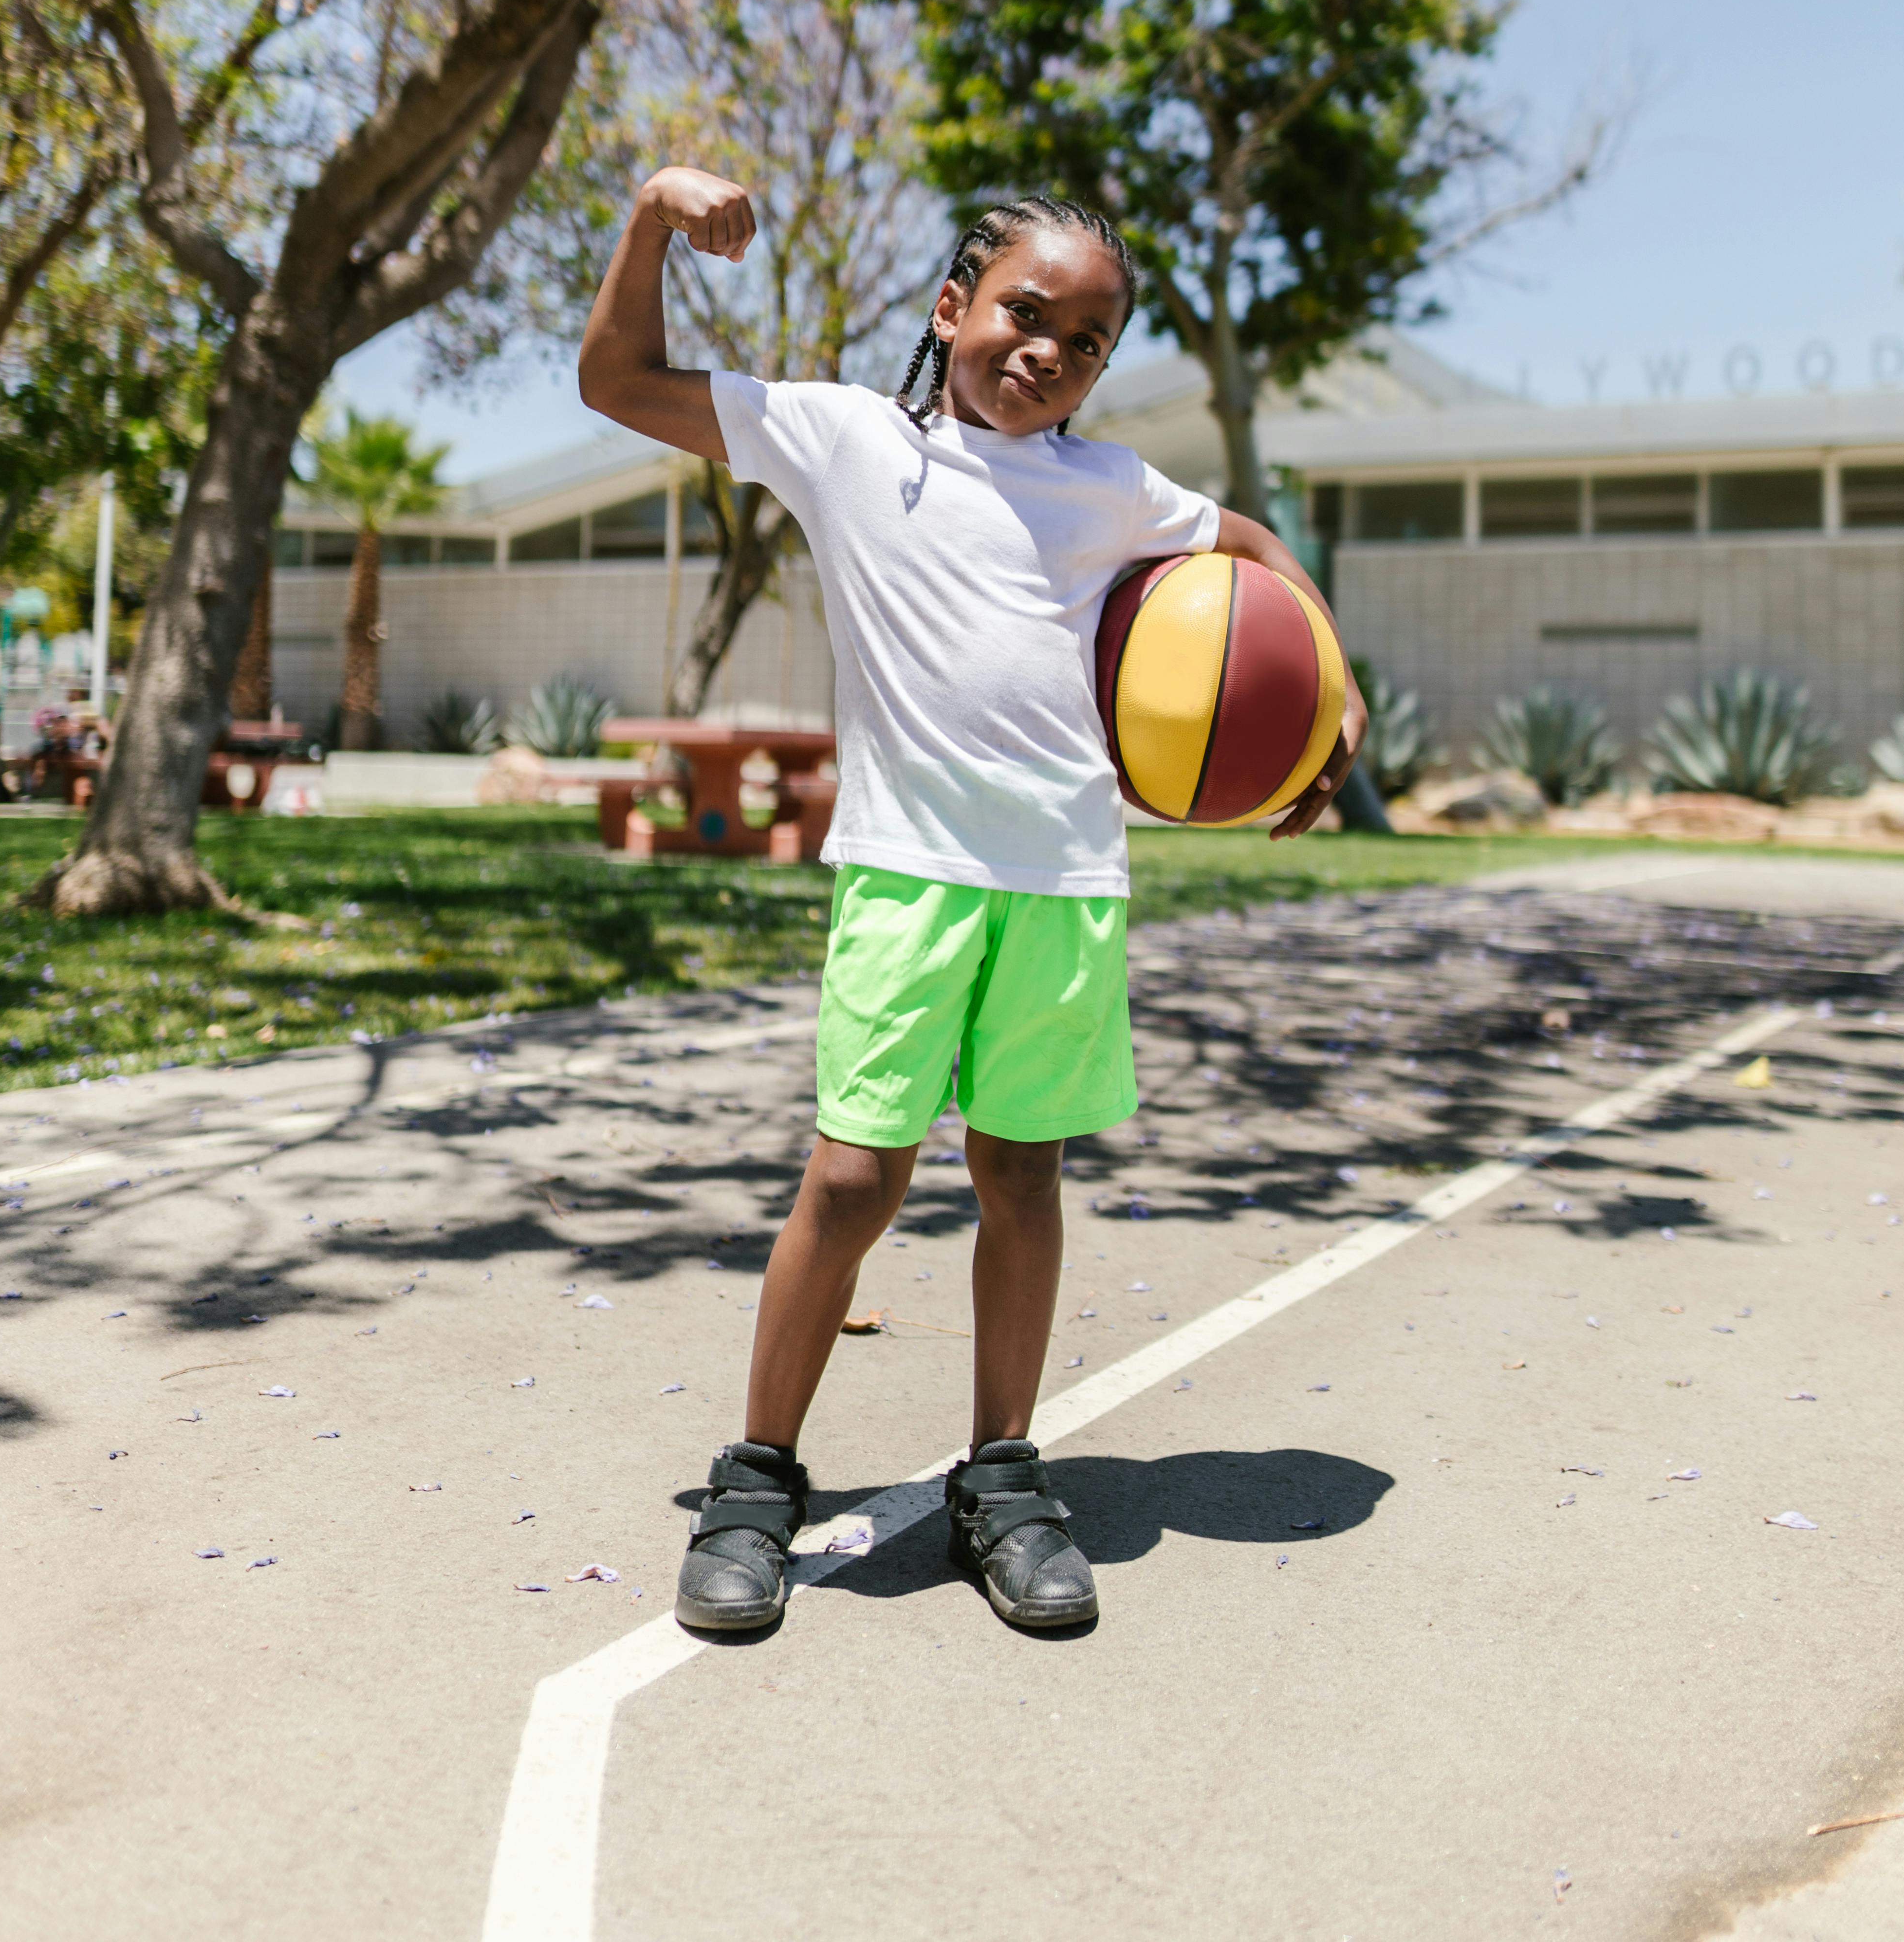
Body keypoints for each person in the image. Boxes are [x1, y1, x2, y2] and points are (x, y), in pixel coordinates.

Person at [577, 165, 1367, 1634]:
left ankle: (1000, 1477)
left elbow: (1251, 551)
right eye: (1023, 312)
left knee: (1021, 1177)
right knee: (852, 1179)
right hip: (906, 877)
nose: (1048, 352)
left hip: (1063, 884)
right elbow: (616, 378)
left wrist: (1330, 693)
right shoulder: (847, 439)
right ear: (952, 308)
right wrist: (648, 218)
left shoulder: (1112, 491)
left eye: (1085, 338)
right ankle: (759, 1480)